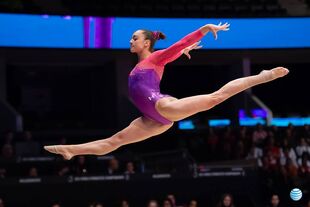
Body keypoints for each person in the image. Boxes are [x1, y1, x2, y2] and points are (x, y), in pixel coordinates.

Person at [44, 22, 289, 160]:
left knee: (215, 98)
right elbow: (172, 55)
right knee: (114, 142)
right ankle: (71, 151)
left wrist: (204, 28)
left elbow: (179, 44)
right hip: (150, 119)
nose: (130, 41)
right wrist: (180, 53)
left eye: (134, 38)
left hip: (163, 107)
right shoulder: (146, 63)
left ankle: (262, 76)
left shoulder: (156, 58)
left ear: (146, 43)